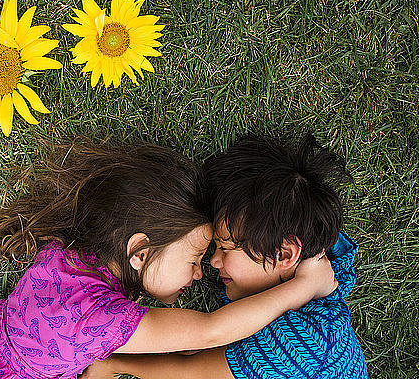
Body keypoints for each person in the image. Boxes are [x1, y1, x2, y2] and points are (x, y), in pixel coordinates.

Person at [0, 139, 337, 379]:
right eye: (194, 257)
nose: (200, 271)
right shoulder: (103, 319)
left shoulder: (64, 257)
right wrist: (303, 286)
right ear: (140, 253)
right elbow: (209, 332)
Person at [81, 133, 368, 379]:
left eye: (226, 248)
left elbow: (192, 372)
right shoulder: (315, 262)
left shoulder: (302, 344)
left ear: (284, 254)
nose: (212, 262)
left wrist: (113, 364)